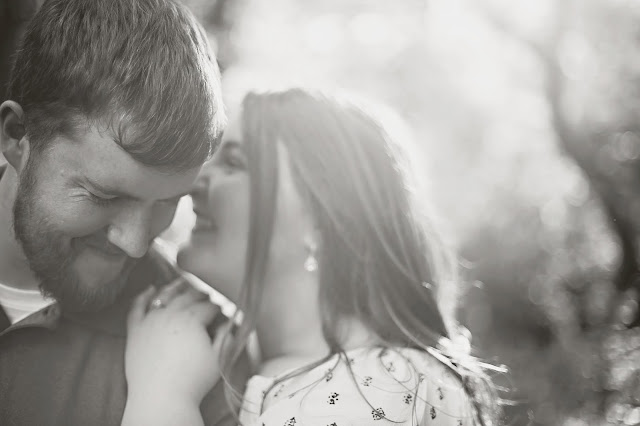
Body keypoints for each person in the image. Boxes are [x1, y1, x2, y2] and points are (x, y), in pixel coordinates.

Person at [123, 89, 505, 425]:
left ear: (325, 221)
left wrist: (162, 393)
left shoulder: (381, 392)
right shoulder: (339, 379)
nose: (193, 181)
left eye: (235, 163)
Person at [0, 0, 248, 425]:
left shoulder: (205, 344)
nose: (134, 246)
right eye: (102, 196)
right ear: (16, 136)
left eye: (168, 201)